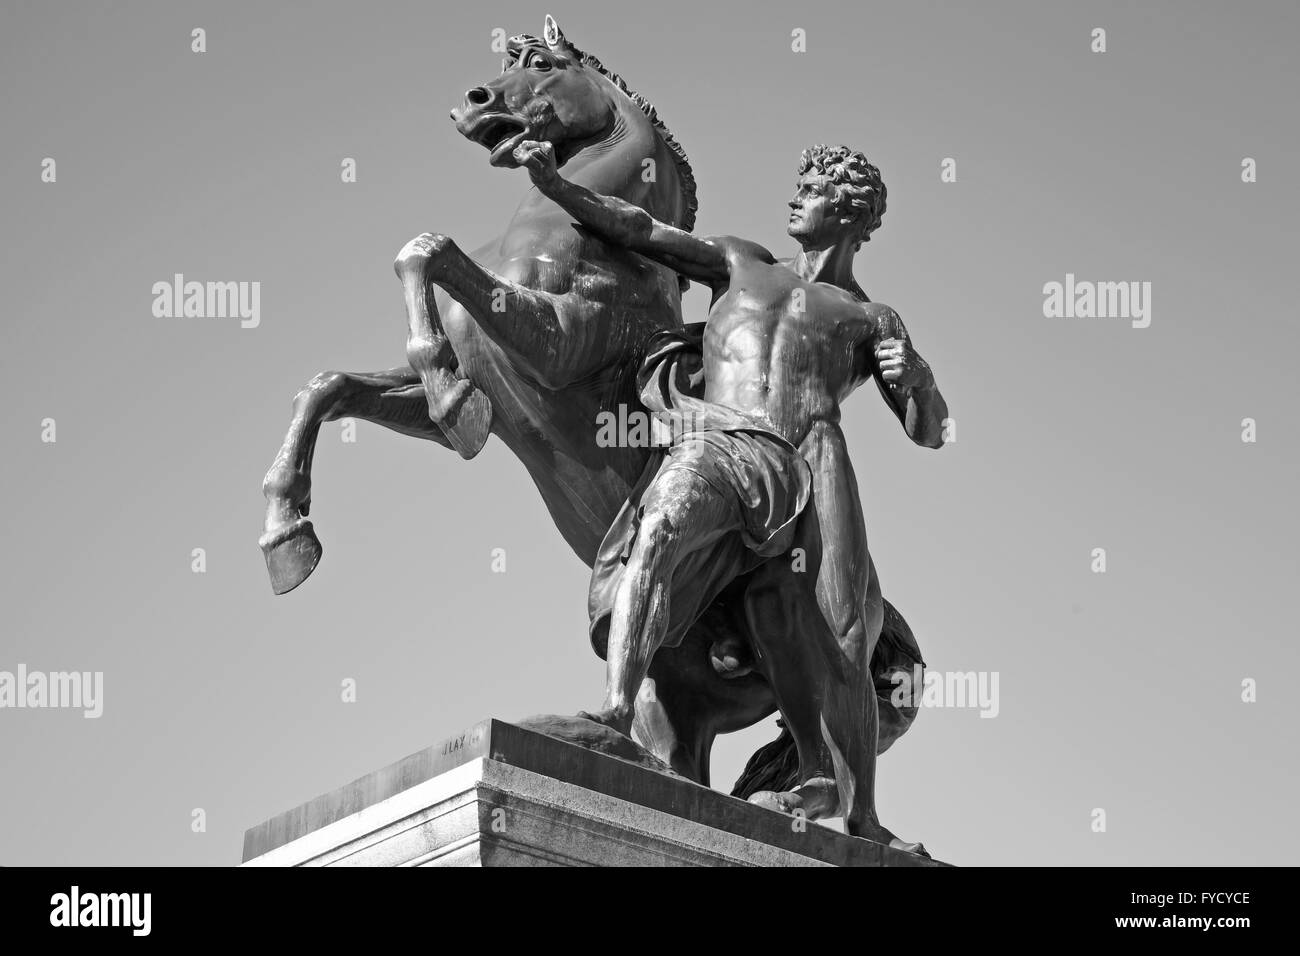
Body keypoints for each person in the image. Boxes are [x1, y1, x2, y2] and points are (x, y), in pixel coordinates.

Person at [516, 138, 948, 842]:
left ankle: (861, 814)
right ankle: (615, 716)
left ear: (852, 211)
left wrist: (918, 379)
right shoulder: (741, 260)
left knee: (842, 632)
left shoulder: (873, 319)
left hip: (814, 461)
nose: (793, 198)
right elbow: (641, 231)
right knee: (657, 531)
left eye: (810, 189)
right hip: (726, 439)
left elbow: (929, 430)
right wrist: (555, 185)